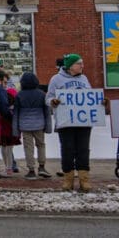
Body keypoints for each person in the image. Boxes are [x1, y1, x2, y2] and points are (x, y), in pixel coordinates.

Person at [47, 54, 99, 192]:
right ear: (70, 66)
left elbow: (90, 96)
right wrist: (53, 102)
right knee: (67, 150)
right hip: (66, 122)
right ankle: (68, 179)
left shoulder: (84, 78)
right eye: (79, 63)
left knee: (83, 150)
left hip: (83, 122)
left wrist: (99, 103)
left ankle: (84, 180)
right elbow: (48, 97)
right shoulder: (56, 79)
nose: (82, 66)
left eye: (82, 63)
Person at [12, 71, 52, 180]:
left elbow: (16, 113)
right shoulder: (41, 94)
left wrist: (15, 130)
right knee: (41, 145)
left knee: (28, 147)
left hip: (25, 126)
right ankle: (42, 167)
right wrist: (48, 127)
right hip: (39, 124)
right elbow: (47, 112)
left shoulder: (19, 95)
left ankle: (31, 170)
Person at [0, 70, 21, 176]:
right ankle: (8, 167)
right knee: (6, 147)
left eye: (6, 83)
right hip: (5, 124)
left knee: (6, 147)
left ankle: (8, 167)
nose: (5, 85)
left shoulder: (7, 92)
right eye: (4, 82)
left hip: (4, 124)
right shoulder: (6, 92)